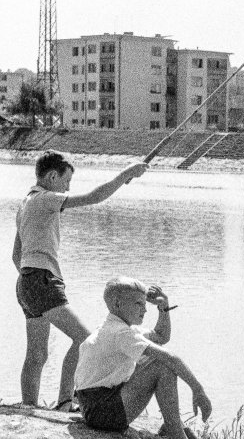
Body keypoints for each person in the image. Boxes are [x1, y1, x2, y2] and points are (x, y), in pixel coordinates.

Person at [13, 150, 147, 410]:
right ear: (52, 177)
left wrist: (29, 281)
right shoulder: (45, 198)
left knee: (37, 353)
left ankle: (29, 407)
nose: (68, 188)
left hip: (26, 281)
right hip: (42, 279)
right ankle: (65, 401)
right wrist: (126, 174)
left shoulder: (25, 204)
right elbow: (93, 197)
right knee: (84, 340)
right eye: (66, 182)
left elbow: (15, 255)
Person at [73, 277, 217, 439]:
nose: (145, 309)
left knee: (151, 357)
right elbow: (170, 357)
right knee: (161, 364)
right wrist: (198, 390)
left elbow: (161, 336)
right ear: (117, 304)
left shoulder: (116, 327)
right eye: (138, 304)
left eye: (145, 303)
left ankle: (173, 425)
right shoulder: (120, 333)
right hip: (101, 413)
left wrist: (163, 308)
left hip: (95, 406)